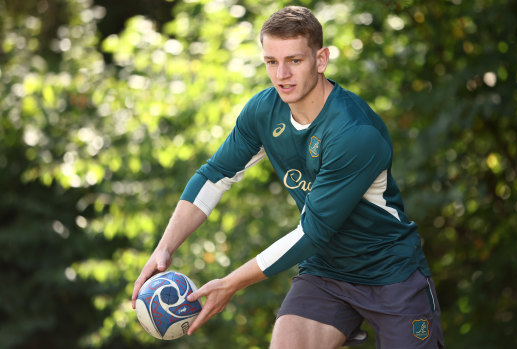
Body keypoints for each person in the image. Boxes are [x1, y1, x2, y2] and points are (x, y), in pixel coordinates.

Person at [132, 6, 444, 348]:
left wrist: (232, 282)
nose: (281, 74)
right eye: (271, 62)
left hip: (391, 274)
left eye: (294, 60)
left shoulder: (354, 132)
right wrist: (164, 248)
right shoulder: (264, 112)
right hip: (326, 272)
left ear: (321, 60)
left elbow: (313, 232)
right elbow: (216, 175)